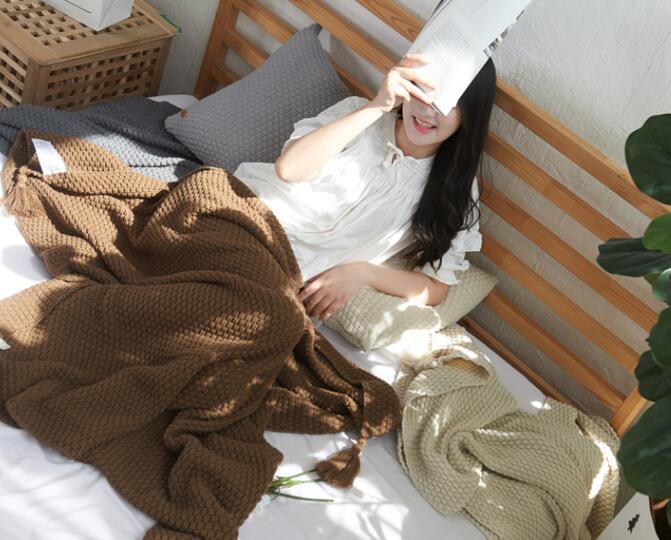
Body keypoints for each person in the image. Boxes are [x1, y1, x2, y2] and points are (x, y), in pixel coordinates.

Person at [232, 53, 496, 323]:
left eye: (448, 103)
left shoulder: (455, 189)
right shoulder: (360, 113)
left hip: (281, 279)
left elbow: (435, 287)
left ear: (469, 115)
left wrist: (363, 273)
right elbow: (289, 169)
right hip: (243, 218)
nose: (427, 111)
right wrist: (378, 105)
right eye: (422, 91)